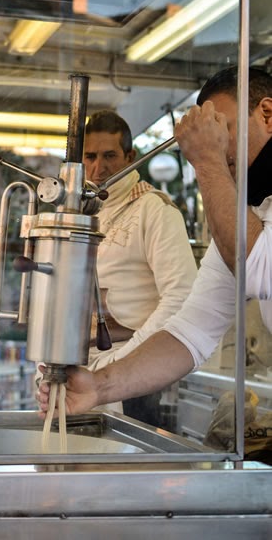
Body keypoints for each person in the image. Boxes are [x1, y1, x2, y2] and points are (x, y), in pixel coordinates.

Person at [39, 67, 272, 417]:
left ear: (267, 114)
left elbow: (260, 271)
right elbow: (191, 328)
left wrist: (207, 160)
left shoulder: (159, 207)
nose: (220, 145)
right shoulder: (255, 210)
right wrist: (99, 385)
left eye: (224, 129)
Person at [77, 110, 198, 423]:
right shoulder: (84, 211)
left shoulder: (155, 210)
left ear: (130, 156)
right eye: (90, 156)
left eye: (109, 156)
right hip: (80, 370)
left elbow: (181, 297)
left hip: (132, 376)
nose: (98, 168)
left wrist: (126, 360)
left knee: (126, 468)